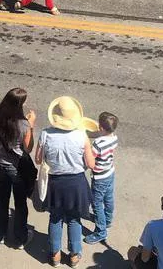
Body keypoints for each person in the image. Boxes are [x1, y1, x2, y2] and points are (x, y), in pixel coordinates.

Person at [36, 96, 97, 268]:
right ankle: (74, 255)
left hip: (55, 183)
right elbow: (91, 164)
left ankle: (55, 254)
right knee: (74, 219)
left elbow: (38, 159)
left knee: (55, 218)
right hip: (76, 183)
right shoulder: (81, 135)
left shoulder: (46, 134)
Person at [0, 88, 36, 248]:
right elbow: (28, 149)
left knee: (3, 196)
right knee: (20, 202)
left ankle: (0, 232)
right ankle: (20, 238)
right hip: (16, 168)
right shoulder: (23, 124)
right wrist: (31, 126)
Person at [86, 112, 119, 245]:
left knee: (97, 203)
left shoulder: (98, 144)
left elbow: (90, 160)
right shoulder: (114, 138)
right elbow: (100, 136)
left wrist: (86, 145)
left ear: (100, 128)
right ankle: (108, 219)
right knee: (109, 198)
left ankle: (101, 231)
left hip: (99, 177)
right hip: (110, 172)